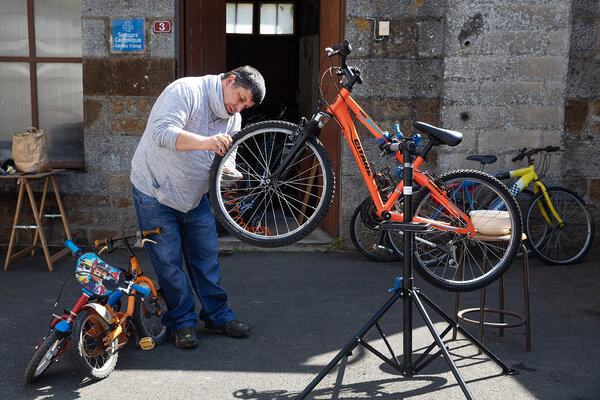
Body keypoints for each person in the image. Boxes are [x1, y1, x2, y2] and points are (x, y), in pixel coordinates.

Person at [130, 66, 265, 349]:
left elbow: (227, 158)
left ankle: (217, 316)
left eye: (245, 105)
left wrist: (229, 173)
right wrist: (207, 142)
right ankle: (182, 322)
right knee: (169, 263)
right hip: (155, 192)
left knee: (206, 260)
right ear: (229, 80)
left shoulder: (234, 118)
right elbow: (162, 133)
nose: (238, 107)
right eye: (239, 98)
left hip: (194, 197)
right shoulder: (185, 91)